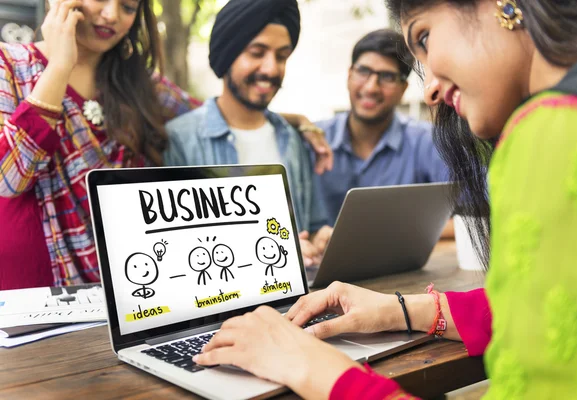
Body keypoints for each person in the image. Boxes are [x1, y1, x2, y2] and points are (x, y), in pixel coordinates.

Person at [191, 1, 577, 399]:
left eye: (424, 36)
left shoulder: (552, 131)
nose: (431, 91)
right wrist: (402, 310)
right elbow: (541, 311)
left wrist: (309, 365)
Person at [0, 0, 203, 290]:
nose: (112, 15)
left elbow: (213, 119)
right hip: (28, 293)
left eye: (128, 7)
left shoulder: (142, 86)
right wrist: (59, 65)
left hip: (126, 290)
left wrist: (290, 123)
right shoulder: (8, 65)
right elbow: (8, 176)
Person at [164, 0, 332, 267]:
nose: (271, 69)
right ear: (228, 55)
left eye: (281, 56)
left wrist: (322, 236)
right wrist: (280, 252)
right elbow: (177, 249)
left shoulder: (293, 137)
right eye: (257, 52)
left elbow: (311, 223)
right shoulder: (179, 140)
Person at [315, 29, 448, 226]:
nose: (371, 88)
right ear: (349, 75)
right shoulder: (313, 139)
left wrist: (396, 231)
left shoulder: (427, 141)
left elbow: (475, 211)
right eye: (363, 71)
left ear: (403, 89)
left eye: (387, 77)